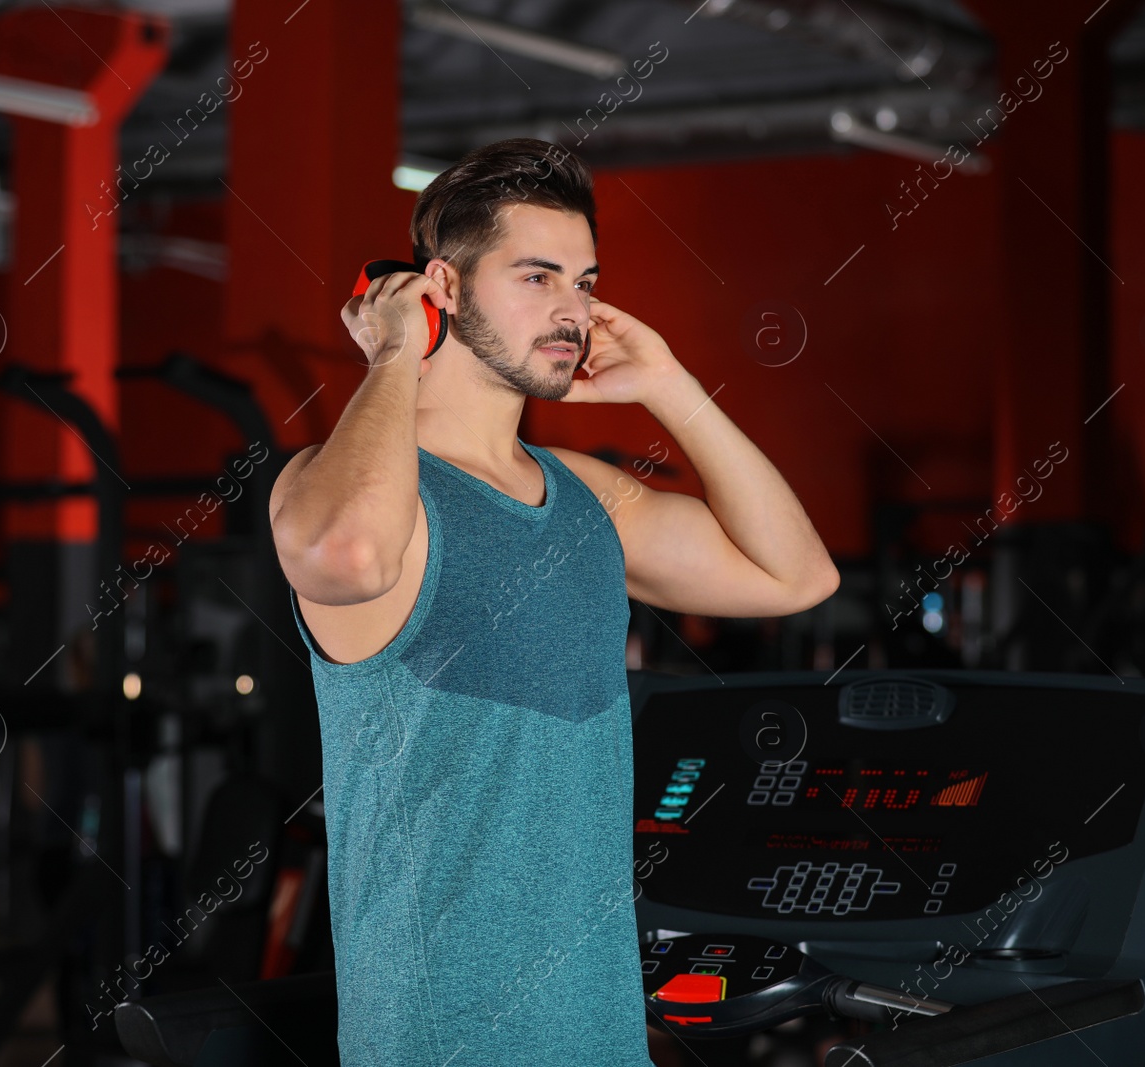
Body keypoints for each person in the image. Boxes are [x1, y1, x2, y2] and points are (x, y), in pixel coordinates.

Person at [268, 137, 838, 1066]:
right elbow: (349, 552)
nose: (573, 309)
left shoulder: (586, 495)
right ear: (441, 289)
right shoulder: (344, 491)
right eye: (537, 277)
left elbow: (796, 575)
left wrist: (669, 386)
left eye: (584, 280)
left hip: (604, 1040)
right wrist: (392, 359)